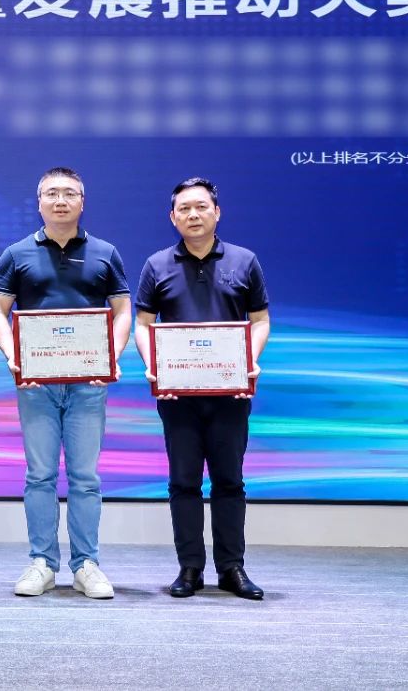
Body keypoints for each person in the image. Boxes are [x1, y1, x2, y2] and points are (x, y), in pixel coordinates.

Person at [0, 167, 131, 599]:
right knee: (40, 475)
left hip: (89, 382)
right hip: (36, 384)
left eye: (70, 193)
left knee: (85, 477)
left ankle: (86, 564)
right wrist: (13, 356)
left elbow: (123, 310)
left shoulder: (105, 252)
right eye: (52, 193)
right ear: (39, 202)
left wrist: (110, 356)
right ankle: (42, 563)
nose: (61, 200)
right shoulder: (16, 253)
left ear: (82, 202)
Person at [133, 177, 270, 600]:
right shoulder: (157, 265)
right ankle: (189, 568)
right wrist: (155, 366)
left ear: (217, 212)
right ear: (173, 217)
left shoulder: (244, 261)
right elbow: (143, 324)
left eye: (201, 207)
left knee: (230, 481)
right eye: (184, 209)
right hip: (178, 396)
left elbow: (260, 320)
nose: (193, 215)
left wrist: (249, 361)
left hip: (230, 394)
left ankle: (232, 568)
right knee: (183, 482)